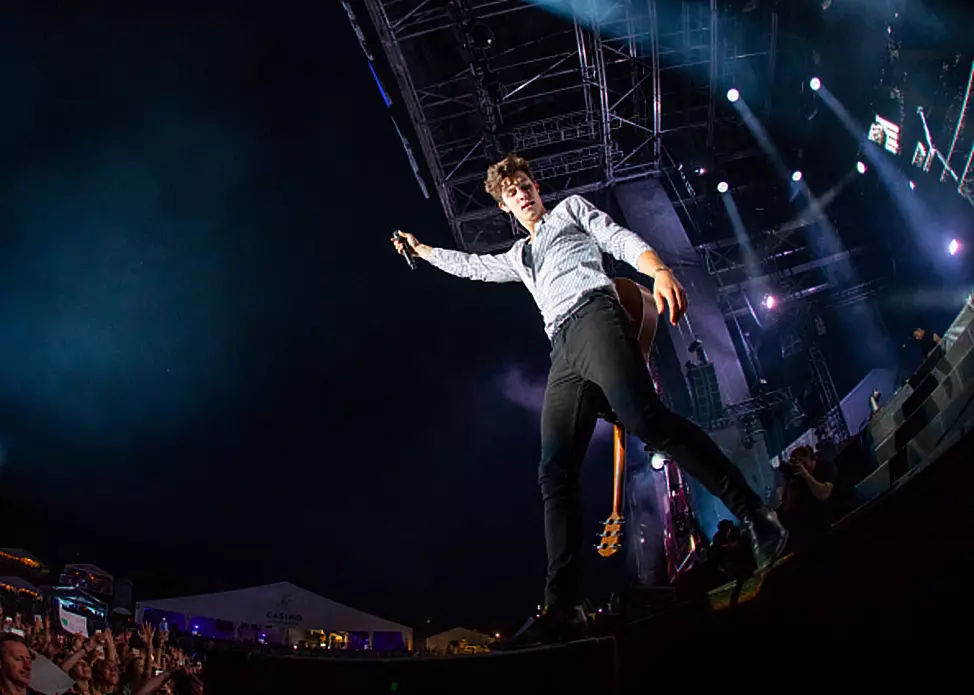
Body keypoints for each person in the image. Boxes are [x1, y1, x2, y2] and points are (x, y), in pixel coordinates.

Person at [392, 153, 787, 647]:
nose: (523, 194)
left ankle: (756, 515)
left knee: (645, 418)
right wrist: (423, 250)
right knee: (554, 472)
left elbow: (617, 238)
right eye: (511, 192)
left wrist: (657, 268)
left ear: (537, 187)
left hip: (595, 313)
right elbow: (472, 267)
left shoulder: (570, 211)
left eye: (526, 185)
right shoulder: (519, 256)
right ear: (505, 206)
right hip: (561, 350)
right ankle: (565, 606)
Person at [777, 445, 835, 550]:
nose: (799, 465)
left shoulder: (825, 466)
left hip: (832, 520)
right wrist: (788, 480)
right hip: (809, 533)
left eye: (801, 461)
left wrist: (807, 476)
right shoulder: (797, 479)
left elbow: (823, 495)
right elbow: (787, 507)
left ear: (811, 459)